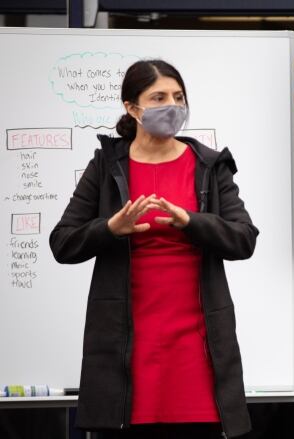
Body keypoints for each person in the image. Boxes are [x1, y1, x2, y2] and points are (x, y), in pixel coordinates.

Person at [49, 60, 258, 439]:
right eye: (159, 98)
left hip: (198, 342)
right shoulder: (106, 166)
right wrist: (111, 227)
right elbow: (63, 243)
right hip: (125, 345)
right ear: (132, 107)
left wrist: (192, 222)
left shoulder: (210, 166)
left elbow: (244, 239)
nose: (172, 106)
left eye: (179, 97)